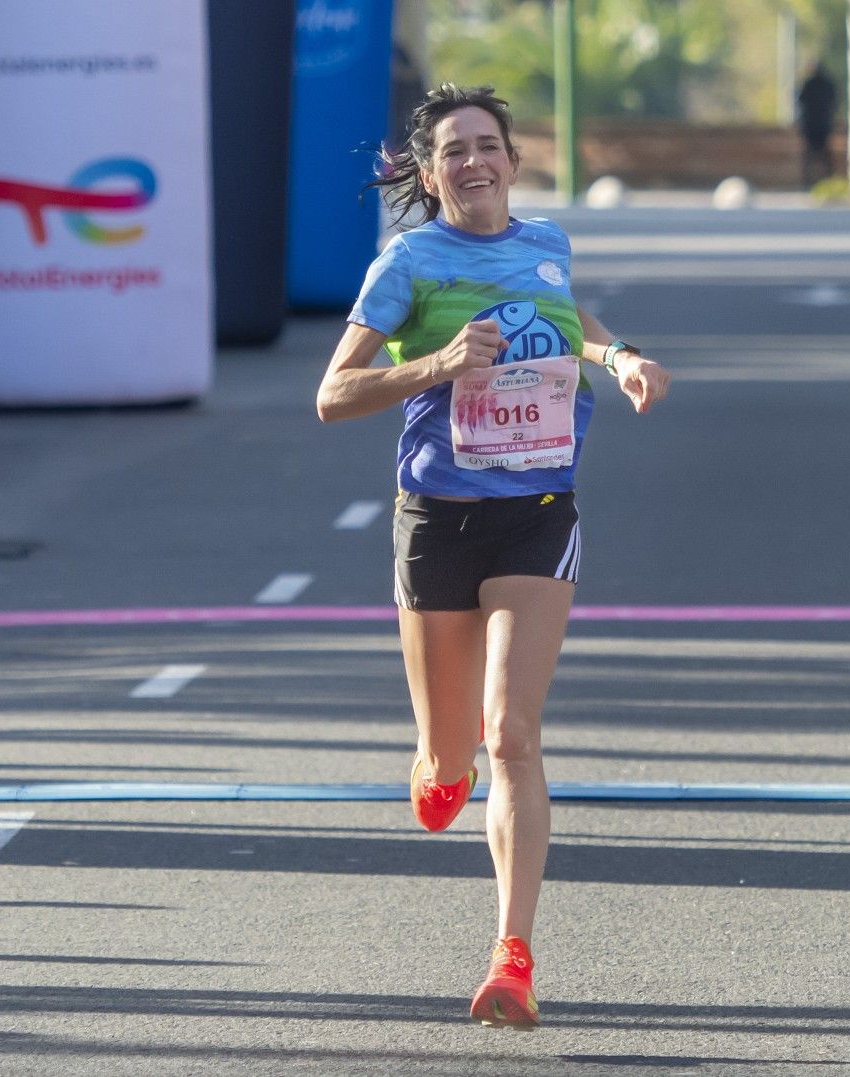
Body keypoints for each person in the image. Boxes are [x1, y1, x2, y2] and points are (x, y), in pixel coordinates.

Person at [315, 83, 670, 1030]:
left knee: (512, 732)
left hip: (538, 509)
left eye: (488, 146)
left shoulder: (546, 243)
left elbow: (570, 319)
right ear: (430, 177)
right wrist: (436, 365)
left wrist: (620, 355)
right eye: (454, 152)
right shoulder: (410, 263)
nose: (474, 162)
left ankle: (512, 953)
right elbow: (333, 392)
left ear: (514, 159)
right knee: (452, 750)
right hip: (436, 518)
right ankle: (439, 762)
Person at [796, 61, 838, 188]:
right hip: (823, 123)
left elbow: (800, 102)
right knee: (823, 154)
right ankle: (827, 180)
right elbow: (834, 103)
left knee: (811, 154)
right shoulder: (827, 84)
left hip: (811, 124)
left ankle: (809, 182)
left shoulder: (808, 84)